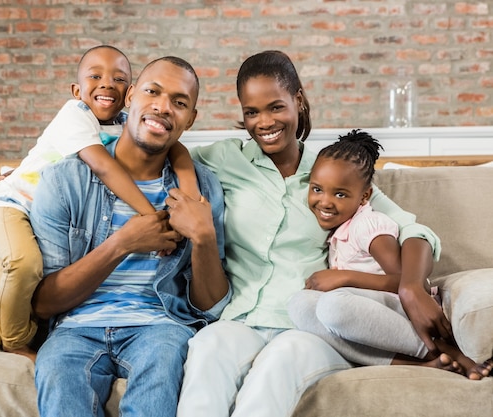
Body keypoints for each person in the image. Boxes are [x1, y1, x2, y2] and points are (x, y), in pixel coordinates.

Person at [175, 50, 445, 417]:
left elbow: (415, 231)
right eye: (251, 112)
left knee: (275, 370)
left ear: (298, 100)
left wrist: (410, 285)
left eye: (275, 107)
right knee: (207, 351)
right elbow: (170, 150)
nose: (264, 122)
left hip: (308, 327)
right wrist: (189, 185)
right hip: (240, 318)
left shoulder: (333, 175)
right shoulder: (225, 159)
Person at [0, 45, 200, 362]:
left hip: (34, 207)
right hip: (8, 206)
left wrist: (189, 190)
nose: (107, 83)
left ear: (130, 92)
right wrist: (153, 219)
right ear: (76, 89)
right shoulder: (74, 114)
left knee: (29, 319)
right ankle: (13, 344)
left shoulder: (125, 122)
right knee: (24, 265)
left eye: (119, 78)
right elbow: (104, 167)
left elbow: (174, 149)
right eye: (96, 76)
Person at [30, 56, 230, 417]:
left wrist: (203, 237)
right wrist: (122, 243)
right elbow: (44, 303)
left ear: (191, 118)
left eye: (179, 102)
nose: (162, 107)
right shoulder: (65, 181)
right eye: (152, 92)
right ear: (131, 96)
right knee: (57, 371)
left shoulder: (202, 188)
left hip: (161, 328)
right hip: (76, 329)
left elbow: (208, 306)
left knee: (163, 362)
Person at [288, 129, 493, 380]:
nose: (325, 202)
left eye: (340, 194)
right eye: (317, 189)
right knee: (299, 306)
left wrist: (342, 278)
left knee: (333, 306)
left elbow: (403, 280)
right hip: (367, 318)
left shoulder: (368, 226)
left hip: (399, 311)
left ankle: (443, 350)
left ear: (364, 196)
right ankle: (419, 365)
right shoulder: (339, 230)